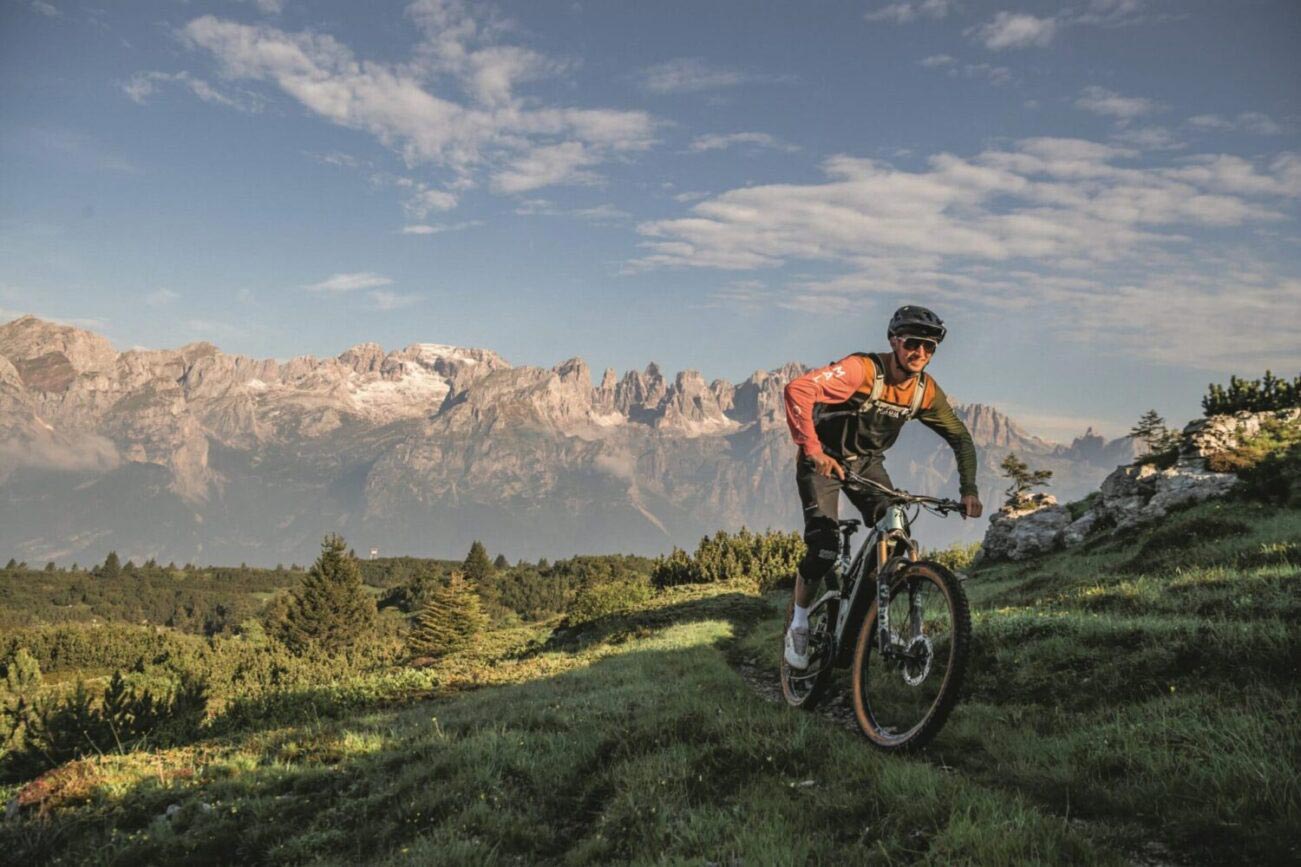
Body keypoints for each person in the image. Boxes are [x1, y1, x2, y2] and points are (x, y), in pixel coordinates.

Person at [781, 305, 983, 669]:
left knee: (896, 528)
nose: (920, 353)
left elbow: (961, 439)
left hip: (867, 464)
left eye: (929, 347)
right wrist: (811, 450)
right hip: (823, 460)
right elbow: (798, 390)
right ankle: (798, 622)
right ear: (894, 341)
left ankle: (870, 611)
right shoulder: (861, 371)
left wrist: (969, 489)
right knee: (823, 548)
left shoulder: (924, 393)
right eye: (912, 343)